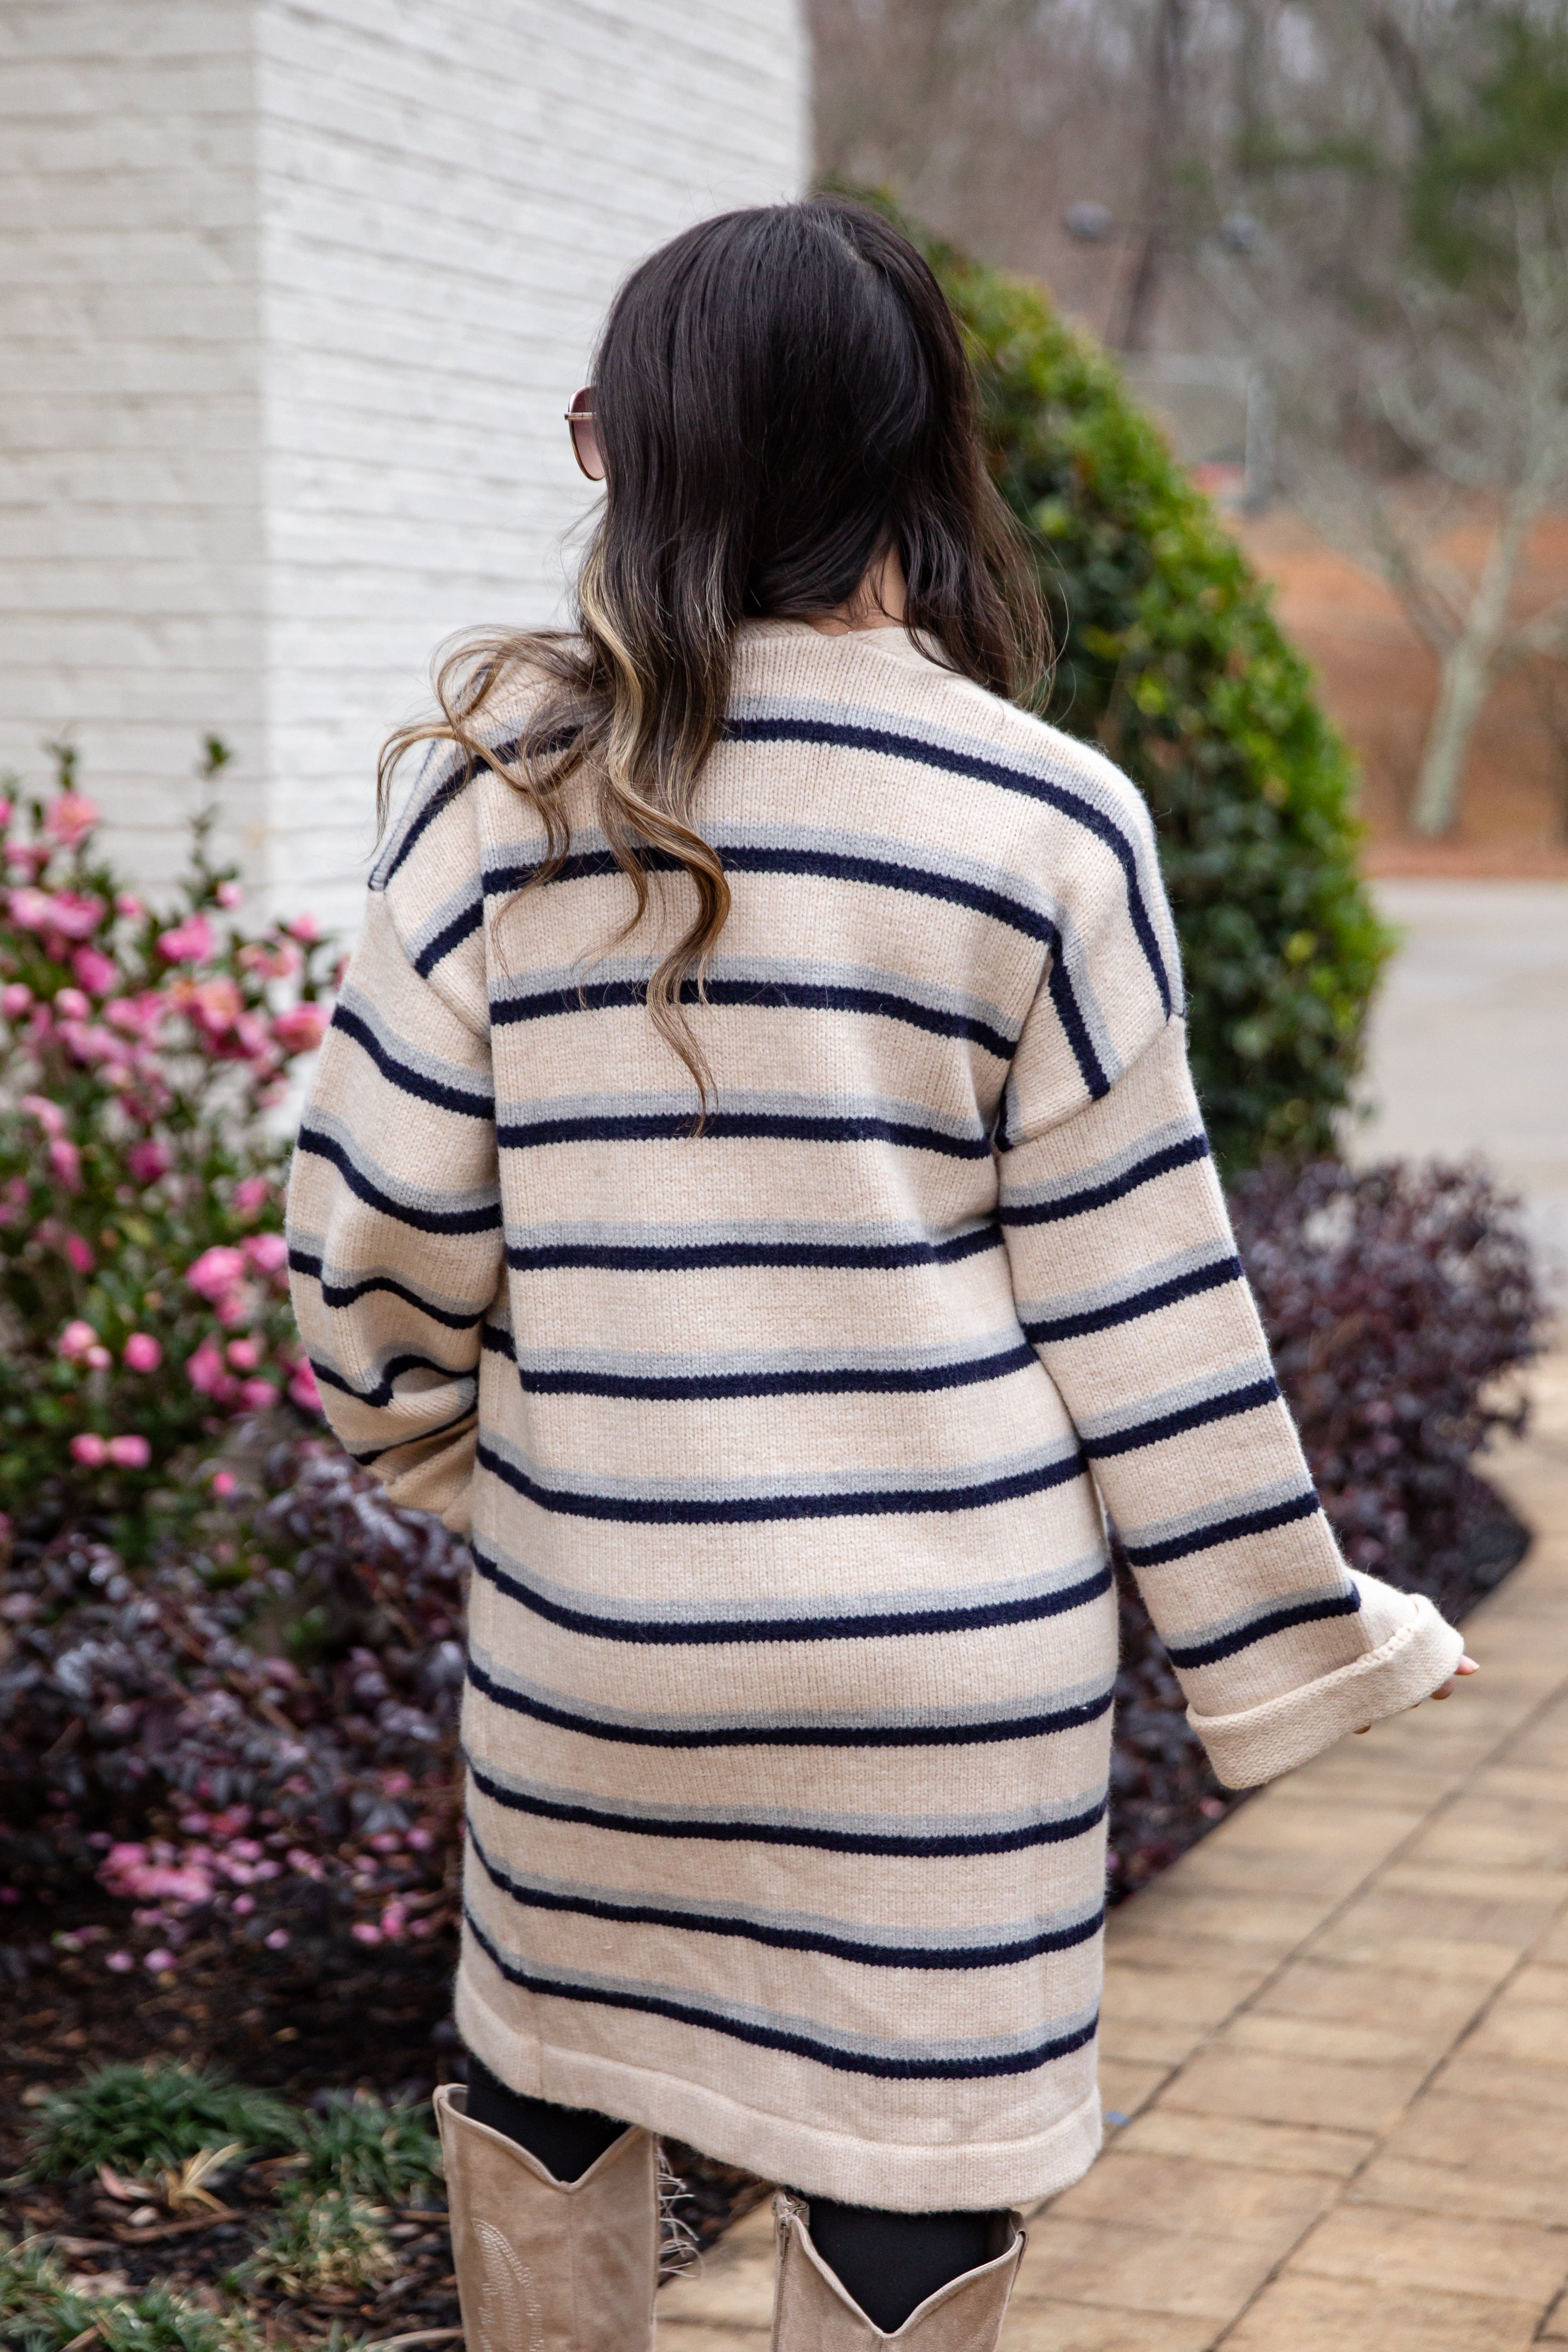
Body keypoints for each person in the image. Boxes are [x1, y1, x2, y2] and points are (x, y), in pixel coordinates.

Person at [286, 197, 1475, 2352]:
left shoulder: (500, 805)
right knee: (912, 2167)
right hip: (950, 1701)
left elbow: (371, 1252)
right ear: (923, 462)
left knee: (552, 2078)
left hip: (606, 1660)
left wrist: (530, 1489)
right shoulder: (1043, 824)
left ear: (637, 458)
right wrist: (1306, 1643)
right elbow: (1150, 1319)